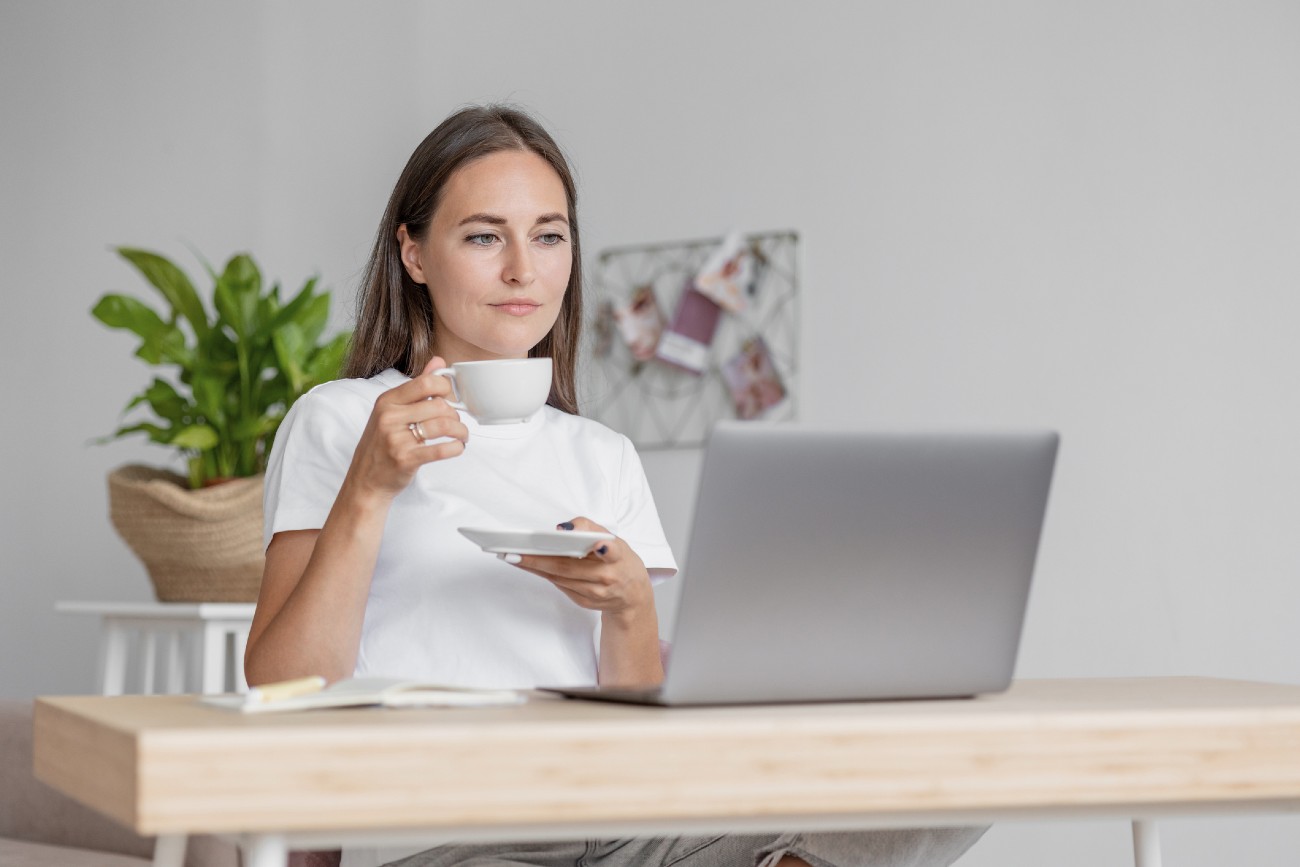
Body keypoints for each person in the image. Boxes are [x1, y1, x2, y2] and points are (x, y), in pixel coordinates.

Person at [244, 105, 986, 867]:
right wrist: (369, 492)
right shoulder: (341, 421)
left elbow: (639, 737)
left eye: (548, 235)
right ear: (414, 253)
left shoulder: (603, 454)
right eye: (483, 235)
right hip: (446, 827)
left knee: (958, 775)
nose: (522, 271)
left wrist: (630, 605)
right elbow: (284, 684)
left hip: (621, 822)